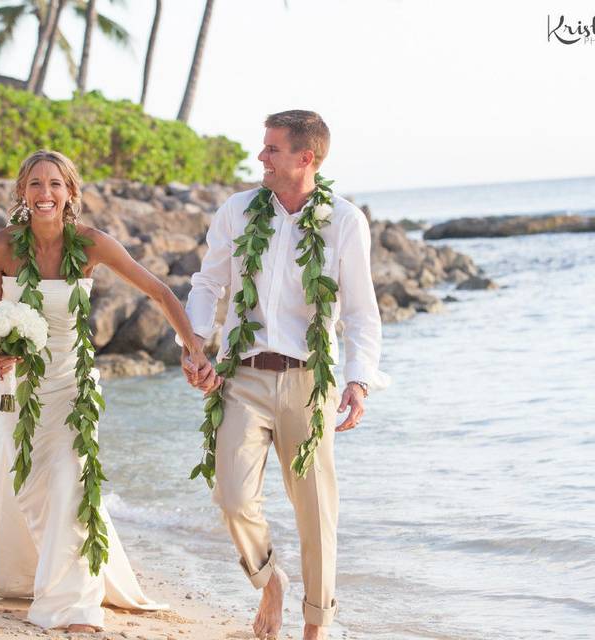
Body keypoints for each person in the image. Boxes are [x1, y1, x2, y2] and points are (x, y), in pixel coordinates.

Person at [0, 149, 213, 632]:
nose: (45, 194)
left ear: (71, 193)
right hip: (25, 391)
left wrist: (194, 349)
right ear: (21, 193)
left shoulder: (92, 244)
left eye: (55, 184)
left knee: (73, 483)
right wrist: (0, 356)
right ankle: (41, 574)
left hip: (74, 387)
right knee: (34, 490)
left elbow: (159, 292)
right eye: (35, 184)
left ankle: (74, 606)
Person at [179, 111, 390, 640]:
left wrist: (359, 380)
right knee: (231, 496)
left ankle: (315, 628)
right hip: (241, 376)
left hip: (308, 381)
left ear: (306, 157)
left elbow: (361, 312)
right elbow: (208, 283)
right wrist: (196, 342)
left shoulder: (344, 222)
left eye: (272, 149)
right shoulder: (237, 211)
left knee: (316, 512)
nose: (261, 158)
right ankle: (269, 580)